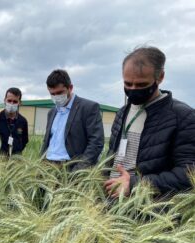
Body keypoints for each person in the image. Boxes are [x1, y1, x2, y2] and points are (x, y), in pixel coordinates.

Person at [104, 46, 195, 199]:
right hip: (112, 203)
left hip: (149, 210)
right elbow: (111, 157)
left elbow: (188, 174)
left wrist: (135, 184)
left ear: (160, 77)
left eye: (141, 85)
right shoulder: (122, 113)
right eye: (127, 84)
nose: (133, 90)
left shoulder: (183, 117)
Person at [40, 69, 104, 170]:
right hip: (48, 166)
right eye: (52, 94)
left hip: (71, 167)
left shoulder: (88, 108)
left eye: (60, 92)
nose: (56, 97)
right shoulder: (52, 112)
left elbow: (96, 142)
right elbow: (47, 141)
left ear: (70, 88)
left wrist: (79, 169)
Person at [0, 87, 29, 156]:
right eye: (9, 101)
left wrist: (17, 151)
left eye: (15, 101)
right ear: (4, 100)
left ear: (20, 103)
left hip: (16, 162)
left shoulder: (23, 121)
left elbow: (25, 140)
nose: (11, 104)